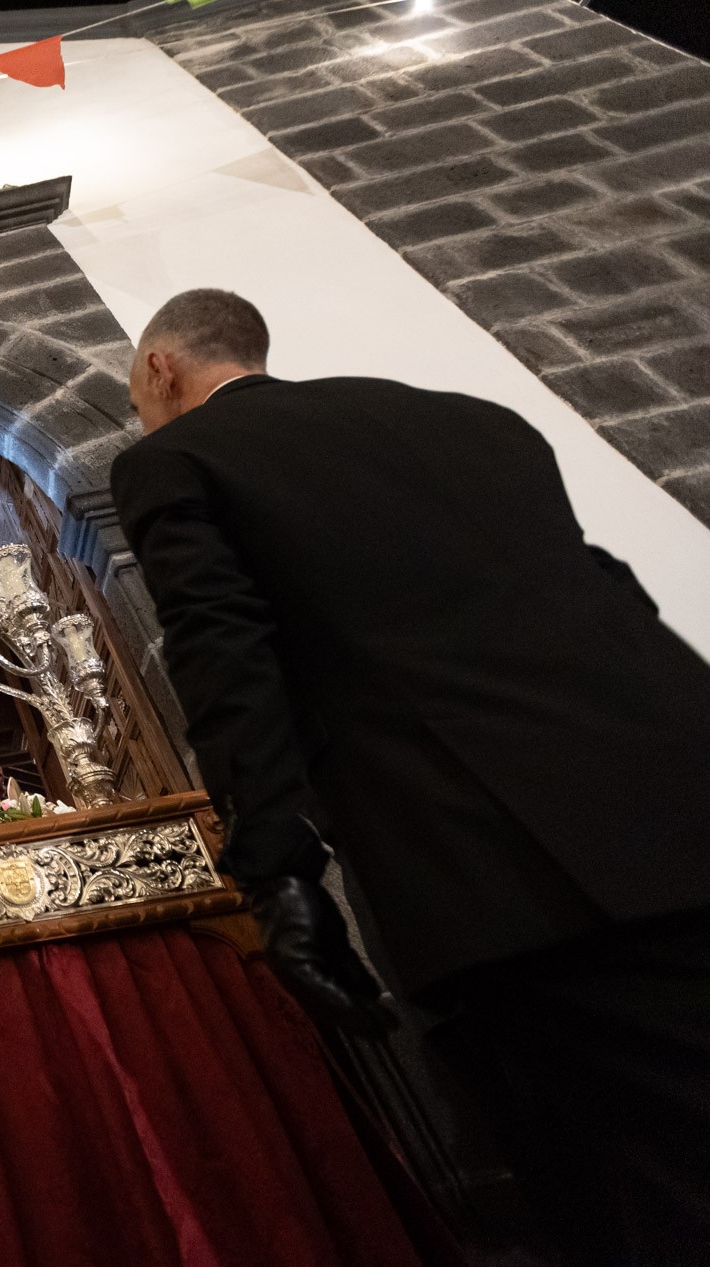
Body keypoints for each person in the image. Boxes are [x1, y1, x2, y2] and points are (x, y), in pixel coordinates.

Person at [109, 287, 710, 1263]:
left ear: (159, 369)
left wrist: (277, 877)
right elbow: (608, 589)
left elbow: (227, 665)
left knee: (629, 1188)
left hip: (504, 875)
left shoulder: (176, 460)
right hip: (679, 796)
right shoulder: (478, 422)